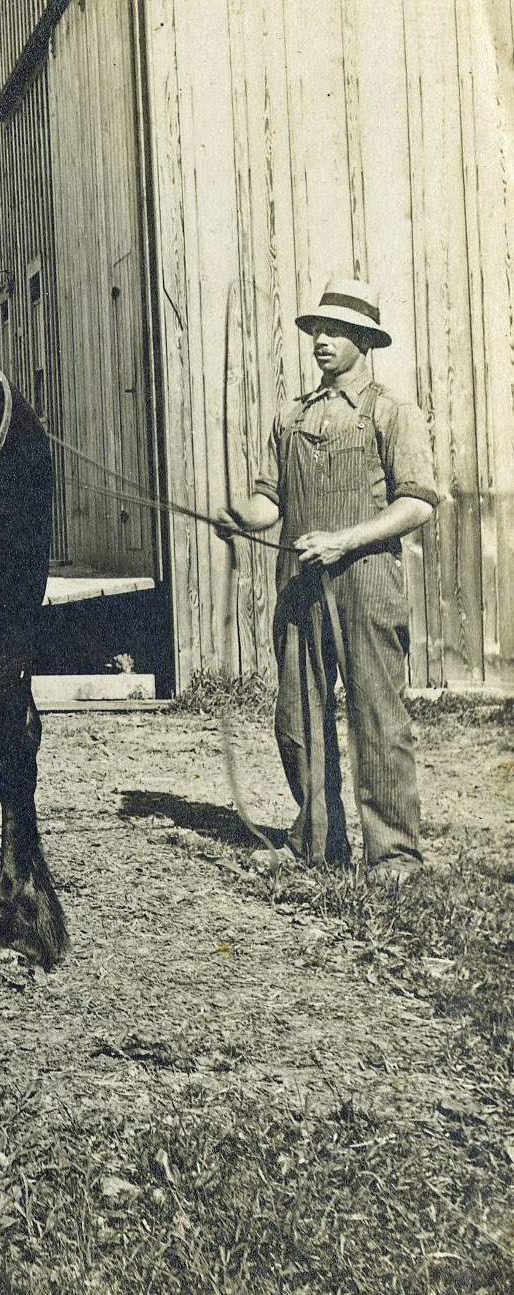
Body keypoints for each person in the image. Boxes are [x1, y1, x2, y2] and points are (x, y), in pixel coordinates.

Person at [221, 278, 441, 882]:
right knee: (297, 719)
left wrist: (344, 540)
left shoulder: (393, 413)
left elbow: (418, 503)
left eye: (335, 330)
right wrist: (241, 515)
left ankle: (394, 855)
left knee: (378, 718)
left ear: (364, 340)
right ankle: (316, 842)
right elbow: (271, 503)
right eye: (315, 329)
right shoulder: (291, 415)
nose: (320, 339)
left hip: (366, 580)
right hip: (300, 585)